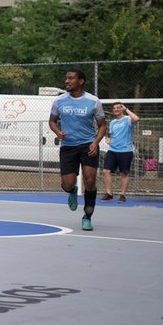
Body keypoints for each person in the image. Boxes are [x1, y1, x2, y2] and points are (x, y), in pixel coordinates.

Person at [48, 70, 106, 231]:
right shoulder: (59, 101)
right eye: (66, 78)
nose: (67, 81)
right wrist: (58, 132)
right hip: (68, 146)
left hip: (88, 145)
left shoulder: (93, 101)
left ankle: (87, 216)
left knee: (90, 181)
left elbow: (102, 125)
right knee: (67, 184)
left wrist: (95, 142)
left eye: (71, 78)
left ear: (81, 81)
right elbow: (52, 121)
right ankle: (72, 190)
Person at [101, 102, 139, 202]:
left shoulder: (128, 119)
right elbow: (112, 136)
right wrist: (109, 140)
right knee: (105, 171)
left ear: (122, 109)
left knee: (124, 173)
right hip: (112, 150)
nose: (116, 109)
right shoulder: (112, 122)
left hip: (125, 151)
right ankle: (109, 194)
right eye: (115, 108)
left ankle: (122, 195)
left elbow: (136, 119)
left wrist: (126, 109)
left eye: (119, 107)